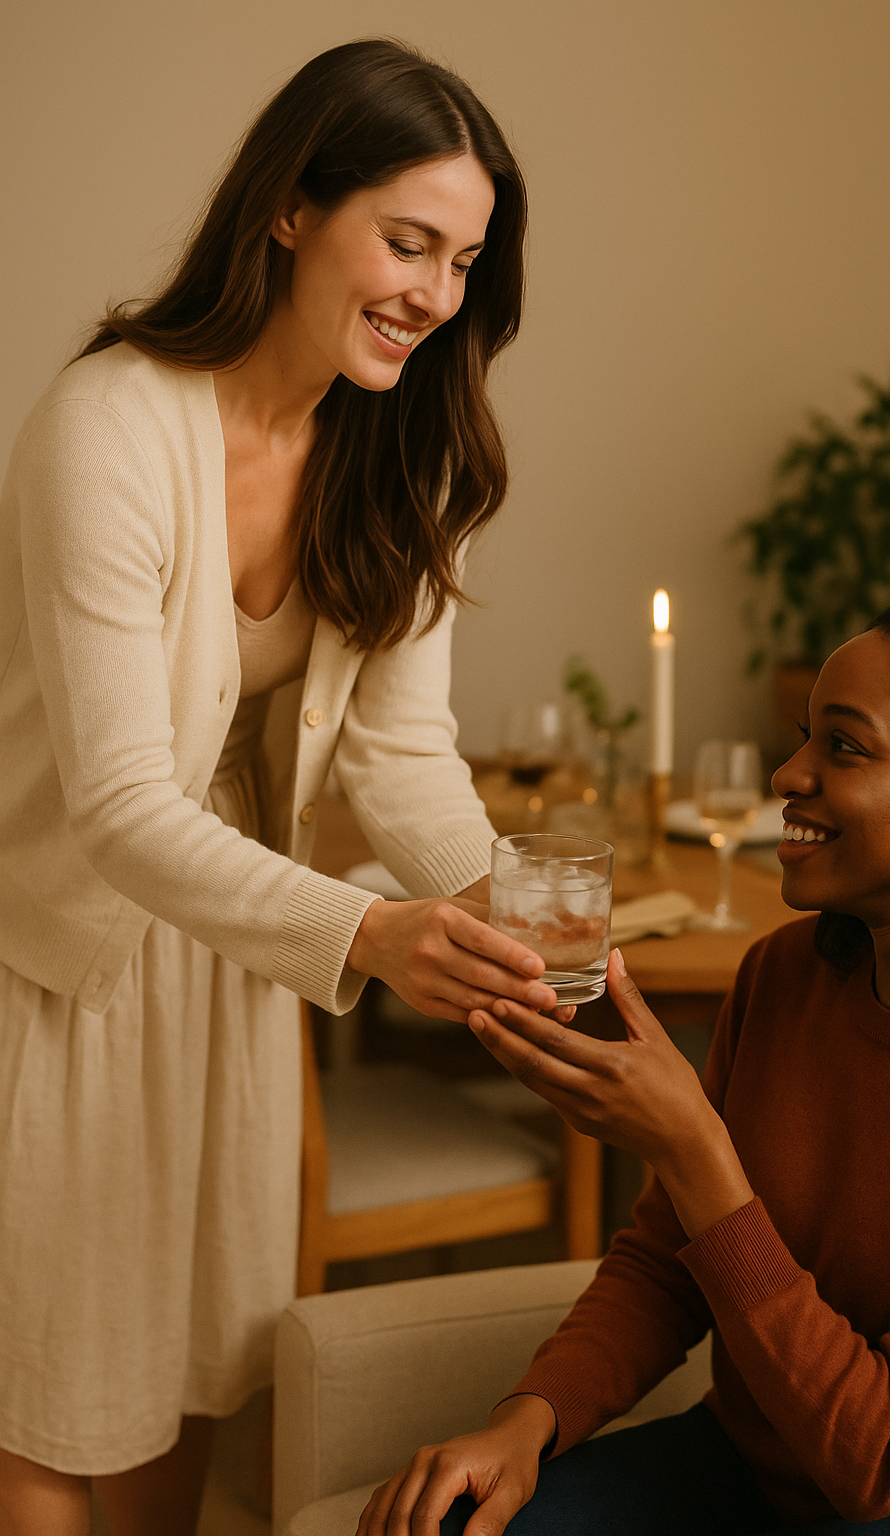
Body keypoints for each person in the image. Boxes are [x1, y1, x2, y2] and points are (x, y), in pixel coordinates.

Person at [0, 39, 571, 1536]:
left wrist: (504, 912)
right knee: (44, 1409)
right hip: (57, 964)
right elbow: (123, 804)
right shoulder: (108, 429)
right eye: (407, 241)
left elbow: (399, 756)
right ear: (287, 211)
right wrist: (374, 937)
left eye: (463, 260)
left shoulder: (402, 451)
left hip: (235, 964)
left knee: (187, 1391)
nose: (435, 295)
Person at [361, 593, 890, 1536]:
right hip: (742, 1470)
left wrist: (694, 1148)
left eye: (844, 747)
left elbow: (882, 1459)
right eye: (803, 738)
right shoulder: (786, 976)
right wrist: (524, 1426)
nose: (787, 772)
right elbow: (670, 1265)